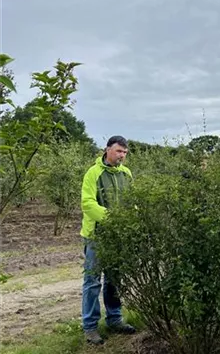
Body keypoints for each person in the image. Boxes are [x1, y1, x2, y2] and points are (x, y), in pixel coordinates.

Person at [80, 135, 136, 345]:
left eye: (124, 152)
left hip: (117, 236)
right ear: (107, 150)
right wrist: (112, 218)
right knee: (92, 282)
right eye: (118, 151)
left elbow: (133, 200)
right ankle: (90, 327)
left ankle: (115, 319)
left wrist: (134, 218)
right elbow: (87, 203)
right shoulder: (93, 173)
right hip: (96, 235)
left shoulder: (126, 174)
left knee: (115, 279)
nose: (121, 156)